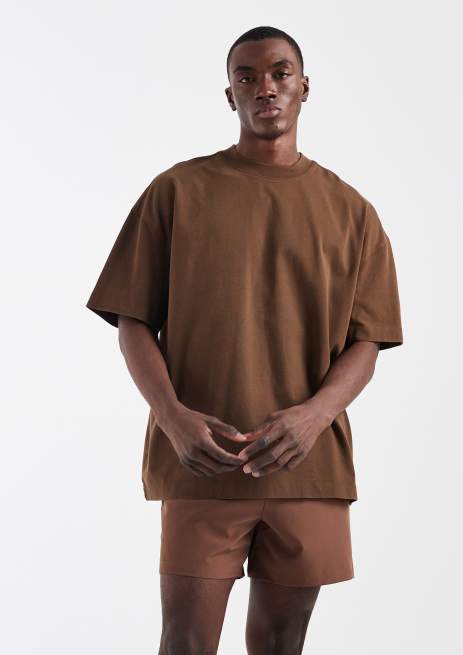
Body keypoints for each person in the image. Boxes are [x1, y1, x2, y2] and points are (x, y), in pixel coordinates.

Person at [85, 24, 404, 655]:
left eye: (281, 73)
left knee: (283, 643)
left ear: (305, 87)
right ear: (230, 95)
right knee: (185, 642)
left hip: (308, 468)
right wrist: (173, 419)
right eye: (247, 77)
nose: (266, 87)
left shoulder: (352, 211)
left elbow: (367, 342)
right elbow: (131, 319)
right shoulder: (177, 192)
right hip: (203, 462)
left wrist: (313, 418)